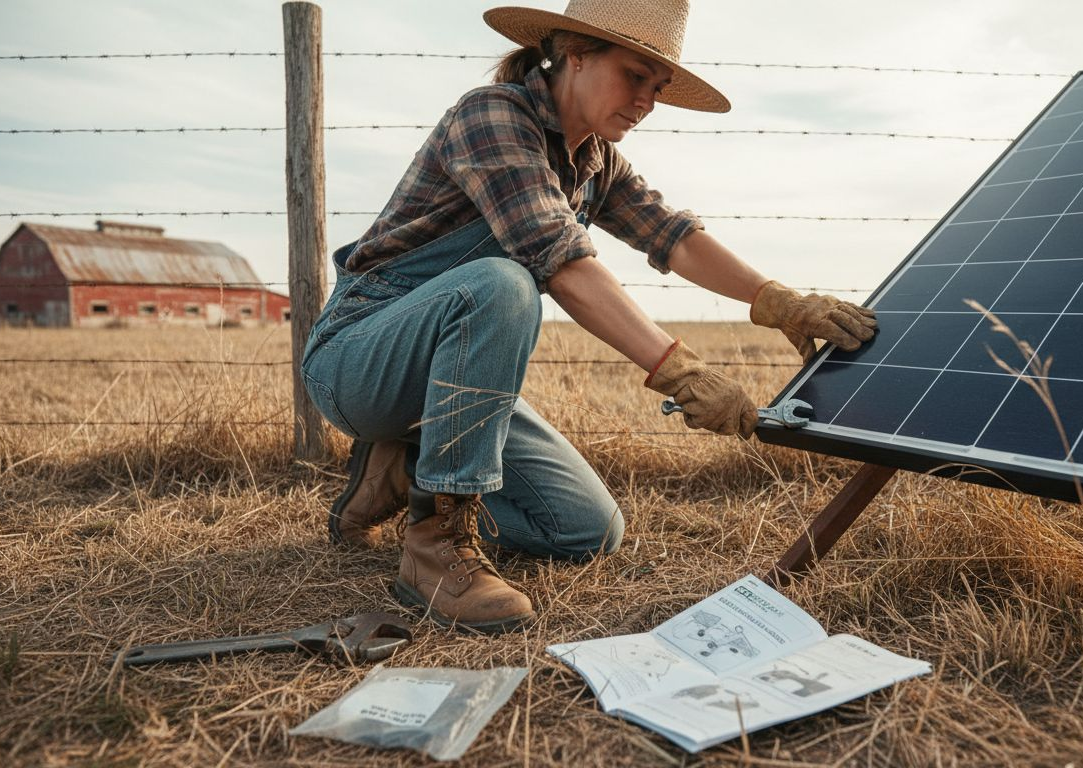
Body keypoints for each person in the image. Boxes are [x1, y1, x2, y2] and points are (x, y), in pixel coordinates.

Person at [300, 0, 877, 635]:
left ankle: (405, 467)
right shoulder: (491, 115)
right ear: (575, 53)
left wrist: (777, 300)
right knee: (503, 283)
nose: (648, 101)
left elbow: (672, 235)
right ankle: (435, 544)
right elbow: (560, 259)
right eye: (636, 76)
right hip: (357, 361)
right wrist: (680, 371)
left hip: (449, 384)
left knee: (586, 529)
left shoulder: (597, 162)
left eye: (658, 87)